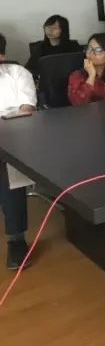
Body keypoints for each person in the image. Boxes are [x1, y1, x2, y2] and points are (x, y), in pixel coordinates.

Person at [0, 33, 37, 269]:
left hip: (11, 138)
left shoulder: (17, 74)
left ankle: (16, 239)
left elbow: (27, 109)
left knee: (7, 171)